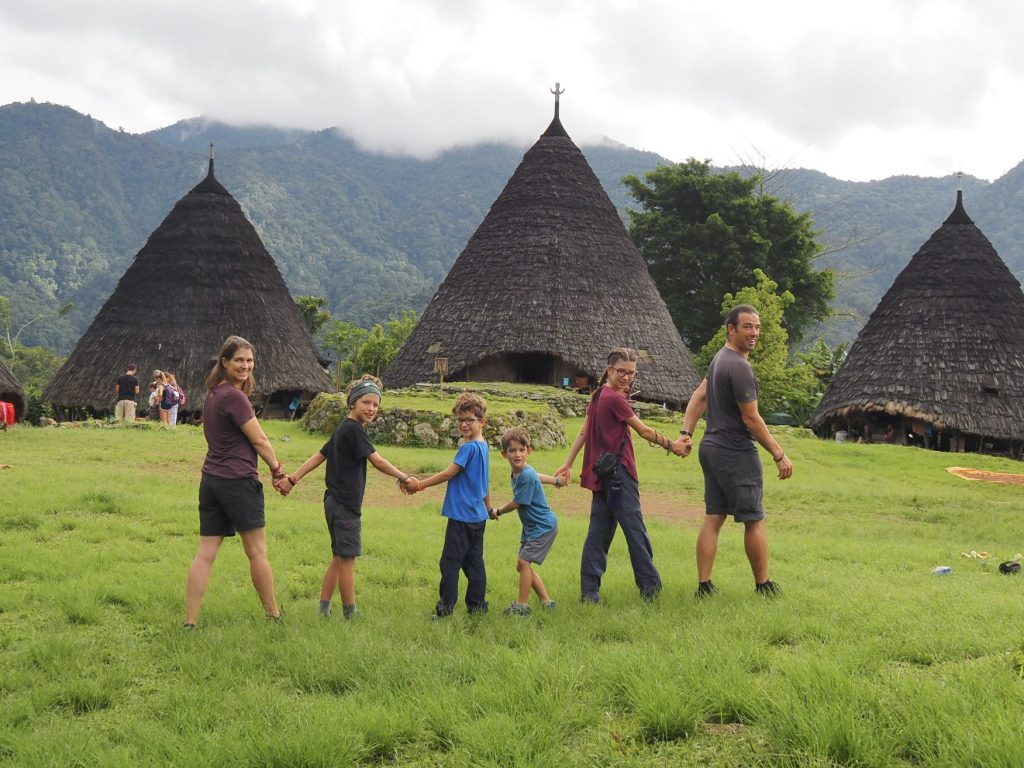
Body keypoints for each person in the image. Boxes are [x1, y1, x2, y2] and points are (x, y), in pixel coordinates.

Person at [276, 375, 417, 619]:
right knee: (348, 559)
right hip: (345, 506)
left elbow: (319, 456)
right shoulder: (354, 430)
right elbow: (378, 461)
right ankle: (351, 613)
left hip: (332, 502)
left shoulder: (343, 427)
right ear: (352, 403)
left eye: (375, 404)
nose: (371, 408)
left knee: (339, 557)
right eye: (366, 402)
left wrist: (292, 480)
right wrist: (404, 477)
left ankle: (323, 609)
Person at [555, 348, 688, 604]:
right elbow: (644, 431)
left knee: (599, 533)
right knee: (634, 531)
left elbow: (583, 432)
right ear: (609, 370)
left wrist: (568, 463)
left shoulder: (598, 396)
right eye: (622, 372)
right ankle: (651, 590)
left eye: (631, 373)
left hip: (602, 474)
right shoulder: (614, 399)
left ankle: (589, 593)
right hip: (619, 474)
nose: (627, 377)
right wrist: (674, 445)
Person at [679, 305, 793, 599]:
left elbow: (698, 395)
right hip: (735, 450)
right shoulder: (739, 366)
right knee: (753, 518)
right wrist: (778, 454)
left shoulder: (719, 359)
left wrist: (686, 432)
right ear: (731, 329)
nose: (754, 333)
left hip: (711, 447)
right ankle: (763, 585)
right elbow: (751, 418)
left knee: (713, 517)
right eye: (747, 327)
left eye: (757, 327)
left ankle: (704, 586)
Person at [183, 336, 287, 628]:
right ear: (224, 362)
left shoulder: (214, 394)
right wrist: (277, 470)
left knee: (205, 553)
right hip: (238, 482)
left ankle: (190, 622)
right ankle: (273, 614)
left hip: (211, 481)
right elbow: (260, 439)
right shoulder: (235, 397)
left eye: (250, 361)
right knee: (256, 551)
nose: (245, 366)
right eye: (239, 360)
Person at [407, 392, 492, 618]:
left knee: (450, 563)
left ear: (481, 421)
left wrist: (420, 485)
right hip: (478, 517)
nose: (464, 425)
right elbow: (485, 483)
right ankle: (477, 606)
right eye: (460, 420)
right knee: (475, 563)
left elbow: (448, 474)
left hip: (461, 517)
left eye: (469, 420)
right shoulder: (484, 446)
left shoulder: (469, 448)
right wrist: (489, 508)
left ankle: (445, 609)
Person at [490, 427, 561, 616]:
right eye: (512, 450)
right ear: (504, 454)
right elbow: (538, 476)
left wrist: (498, 511)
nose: (517, 454)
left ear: (528, 451)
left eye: (521, 450)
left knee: (523, 563)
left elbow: (517, 503)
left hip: (543, 526)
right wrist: (555, 480)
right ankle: (546, 601)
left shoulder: (526, 475)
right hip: (533, 527)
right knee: (522, 565)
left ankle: (521, 607)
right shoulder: (520, 472)